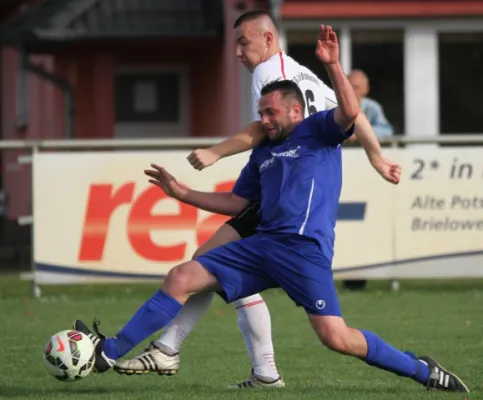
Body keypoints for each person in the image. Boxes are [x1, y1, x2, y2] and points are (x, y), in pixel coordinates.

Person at [73, 26, 468, 394]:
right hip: (262, 246)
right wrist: (182, 193)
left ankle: (422, 370)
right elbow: (237, 203)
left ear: (296, 112)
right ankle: (109, 351)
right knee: (182, 276)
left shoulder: (319, 131)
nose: (263, 121)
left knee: (337, 338)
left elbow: (350, 113)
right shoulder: (263, 151)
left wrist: (332, 64)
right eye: (261, 114)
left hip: (303, 252)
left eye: (270, 114)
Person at [112, 10, 401, 389]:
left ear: (267, 40)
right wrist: (376, 157)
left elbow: (260, 130)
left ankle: (177, 349)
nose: (237, 52)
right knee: (205, 267)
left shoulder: (270, 74)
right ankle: (205, 356)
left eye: (243, 42)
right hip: (296, 185)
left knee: (206, 269)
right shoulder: (302, 72)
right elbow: (352, 113)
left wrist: (216, 152)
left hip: (285, 191)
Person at [348, 69, 394, 138]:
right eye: (349, 87)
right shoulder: (334, 104)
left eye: (356, 87)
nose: (352, 91)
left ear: (366, 89)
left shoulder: (372, 107)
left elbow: (387, 131)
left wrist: (361, 131)